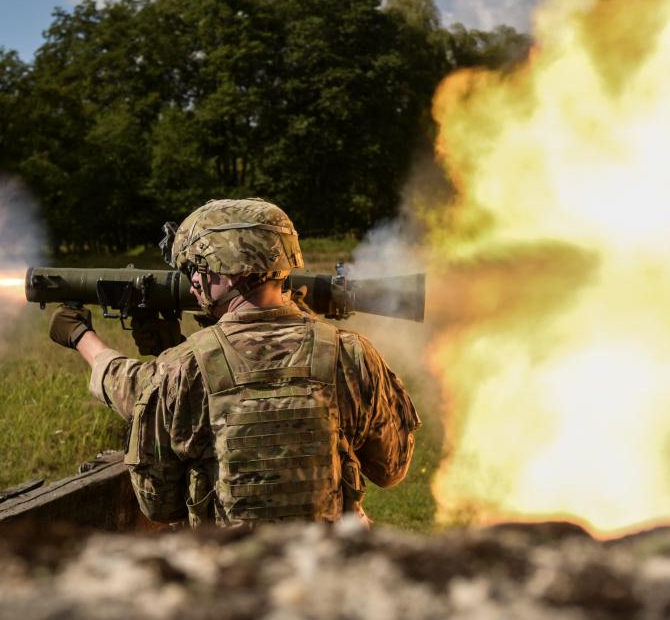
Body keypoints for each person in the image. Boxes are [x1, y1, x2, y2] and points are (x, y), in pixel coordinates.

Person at [48, 198, 419, 527]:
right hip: (332, 577)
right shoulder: (352, 355)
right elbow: (391, 469)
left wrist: (88, 339)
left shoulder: (182, 368)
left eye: (197, 267)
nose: (192, 281)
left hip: (235, 582)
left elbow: (158, 505)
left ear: (222, 272)